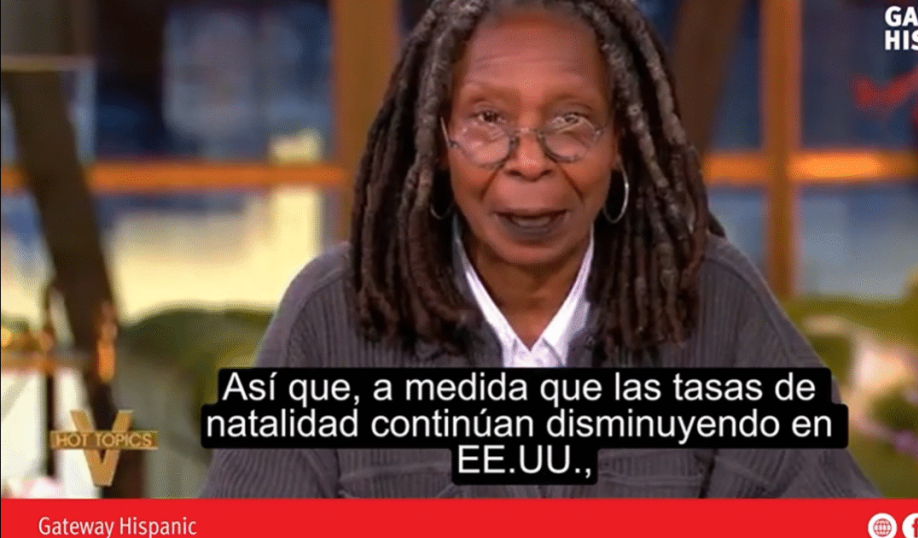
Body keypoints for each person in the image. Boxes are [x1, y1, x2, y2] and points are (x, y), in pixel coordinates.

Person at [202, 0, 878, 498]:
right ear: (437, 142)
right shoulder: (335, 313)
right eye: (488, 119)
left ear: (620, 144)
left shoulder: (713, 302)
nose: (529, 161)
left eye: (571, 121)